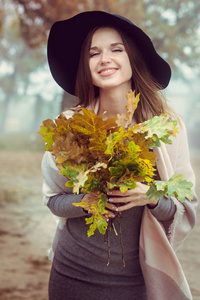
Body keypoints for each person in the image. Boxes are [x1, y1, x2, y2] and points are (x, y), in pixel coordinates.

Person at [41, 11, 198, 300]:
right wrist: (86, 201)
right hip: (71, 274)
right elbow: (54, 201)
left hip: (135, 283)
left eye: (116, 49)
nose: (105, 59)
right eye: (94, 53)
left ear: (132, 58)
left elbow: (185, 206)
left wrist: (151, 196)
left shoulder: (166, 128)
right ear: (85, 66)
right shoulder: (70, 126)